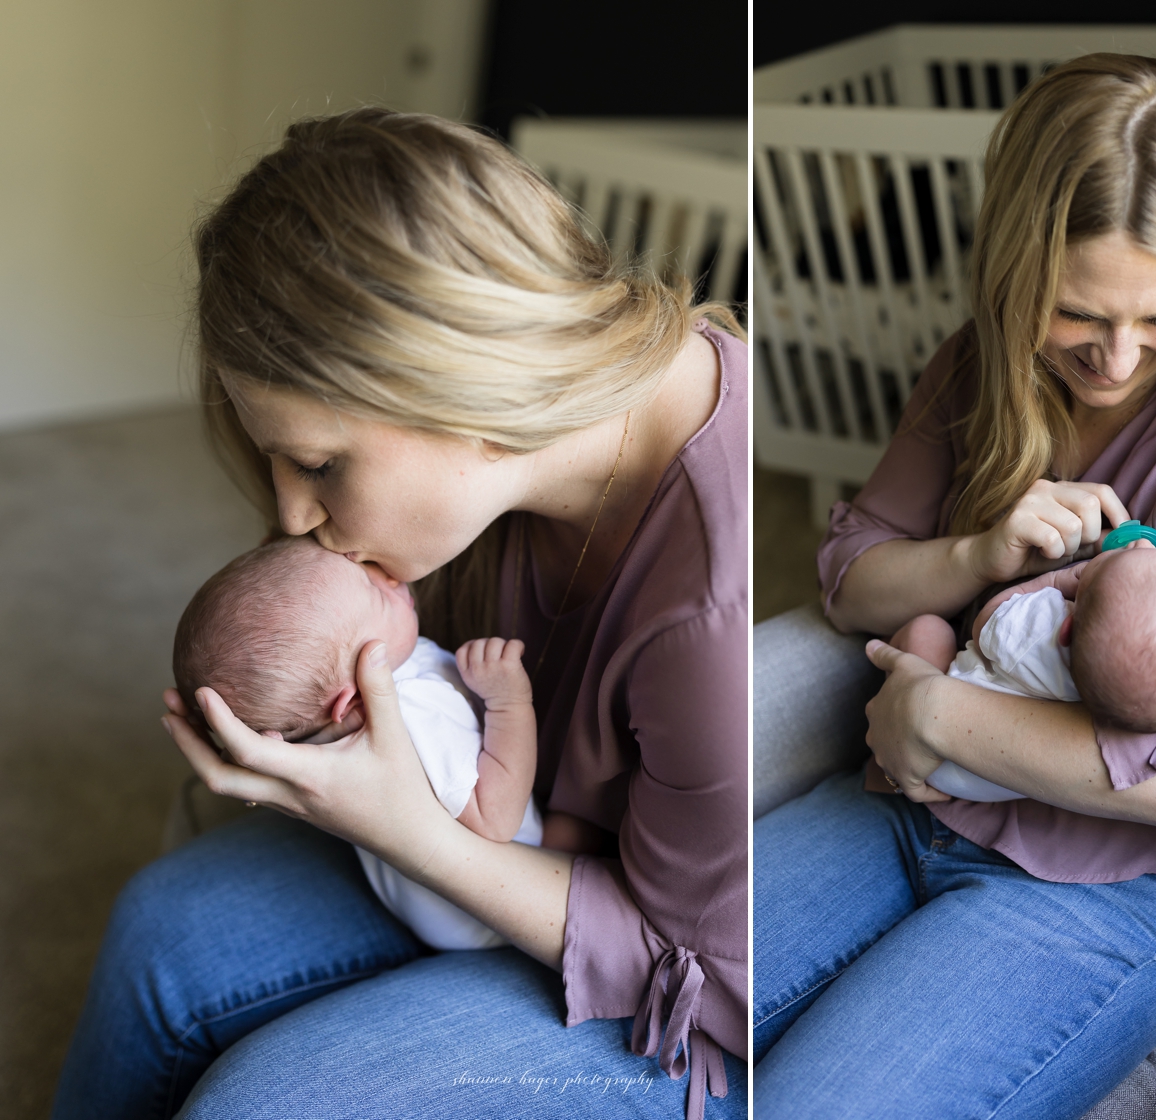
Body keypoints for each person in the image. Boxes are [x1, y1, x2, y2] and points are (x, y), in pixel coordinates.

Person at [53, 108, 747, 1120]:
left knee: (256, 1104)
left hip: (669, 1017)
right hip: (517, 840)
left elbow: (711, 986)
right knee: (159, 928)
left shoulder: (704, 622)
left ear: (458, 383)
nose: (291, 514)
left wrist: (408, 833)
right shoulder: (500, 462)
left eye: (320, 462)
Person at [753, 54, 1156, 1118]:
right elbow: (852, 584)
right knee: (640, 1005)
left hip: (1112, 880)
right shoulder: (978, 366)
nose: (1117, 359)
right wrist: (979, 556)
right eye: (1077, 314)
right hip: (908, 810)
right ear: (1017, 270)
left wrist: (938, 714)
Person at [171, 535, 553, 951]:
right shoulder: (418, 711)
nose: (388, 578)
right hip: (484, 917)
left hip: (419, 897)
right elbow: (495, 819)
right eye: (375, 593)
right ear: (352, 696)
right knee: (584, 843)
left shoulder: (326, 727)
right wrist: (509, 702)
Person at [892, 539, 1156, 802]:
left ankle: (892, 671)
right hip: (1000, 781)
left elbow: (986, 623)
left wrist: (1054, 580)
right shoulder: (1118, 693)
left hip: (936, 748)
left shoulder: (1043, 627)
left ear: (1066, 629)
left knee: (928, 629)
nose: (1143, 545)